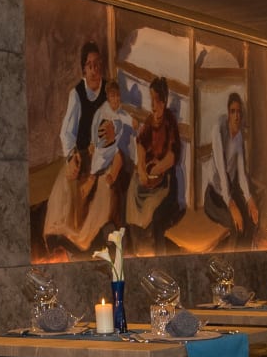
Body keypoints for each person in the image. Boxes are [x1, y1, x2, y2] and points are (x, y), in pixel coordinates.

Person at [41, 40, 136, 252]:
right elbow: (67, 132)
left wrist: (114, 131)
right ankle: (62, 237)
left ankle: (89, 238)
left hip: (105, 155)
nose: (94, 70)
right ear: (84, 68)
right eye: (90, 65)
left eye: (97, 64)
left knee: (105, 187)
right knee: (65, 182)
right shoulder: (76, 94)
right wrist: (71, 156)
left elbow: (120, 120)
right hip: (83, 155)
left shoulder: (109, 92)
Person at [123, 74, 184, 253]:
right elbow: (141, 144)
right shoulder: (150, 121)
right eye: (152, 100)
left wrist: (156, 170)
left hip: (164, 180)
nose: (153, 105)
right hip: (149, 176)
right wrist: (143, 169)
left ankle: (153, 252)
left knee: (152, 209)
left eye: (156, 100)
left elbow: (172, 156)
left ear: (164, 102)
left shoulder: (169, 122)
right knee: (132, 188)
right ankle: (135, 248)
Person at [204, 90, 259, 247]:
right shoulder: (218, 129)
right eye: (233, 112)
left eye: (239, 112)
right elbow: (222, 171)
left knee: (250, 222)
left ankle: (245, 259)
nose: (236, 116)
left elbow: (241, 173)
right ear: (228, 114)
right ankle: (231, 260)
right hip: (215, 197)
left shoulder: (239, 136)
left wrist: (249, 199)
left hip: (230, 193)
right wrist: (231, 205)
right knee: (236, 226)